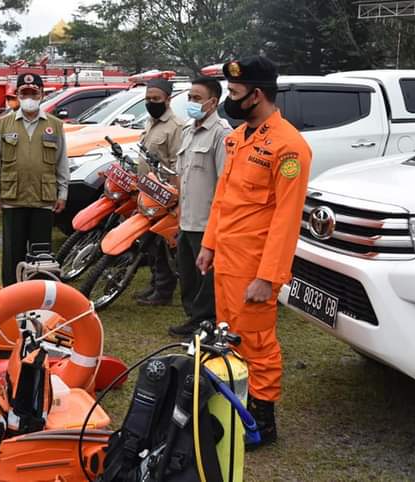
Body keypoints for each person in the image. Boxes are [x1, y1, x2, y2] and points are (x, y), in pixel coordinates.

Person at [196, 56, 311, 448]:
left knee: (258, 343)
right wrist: (209, 244)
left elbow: (287, 220)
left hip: (255, 267)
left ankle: (262, 422)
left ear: (257, 94)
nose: (229, 98)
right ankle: (234, 405)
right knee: (229, 337)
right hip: (227, 260)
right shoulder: (237, 138)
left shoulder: (289, 147)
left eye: (234, 93)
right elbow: (223, 199)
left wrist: (268, 277)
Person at [0, 73, 69, 286]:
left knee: (41, 255)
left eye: (34, 93)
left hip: (44, 198)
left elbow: (62, 162)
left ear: (42, 94)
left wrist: (63, 193)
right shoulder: (4, 124)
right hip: (12, 197)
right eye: (25, 93)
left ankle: (39, 295)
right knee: (12, 252)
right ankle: (11, 296)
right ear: (18, 95)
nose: (30, 97)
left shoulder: (55, 125)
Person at [169, 77, 231, 336]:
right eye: (190, 98)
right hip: (187, 217)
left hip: (207, 220)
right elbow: (182, 174)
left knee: (206, 277)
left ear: (212, 102)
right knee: (188, 273)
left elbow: (224, 183)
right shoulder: (187, 131)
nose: (191, 103)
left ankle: (205, 321)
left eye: (197, 98)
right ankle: (192, 318)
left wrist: (217, 225)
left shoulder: (222, 134)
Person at [134, 78, 183, 306]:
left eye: (156, 99)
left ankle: (163, 291)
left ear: (167, 99)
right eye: (148, 99)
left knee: (162, 246)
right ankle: (154, 284)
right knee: (149, 244)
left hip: (164, 196)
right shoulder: (150, 122)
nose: (151, 103)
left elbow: (176, 164)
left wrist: (174, 199)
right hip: (147, 193)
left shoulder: (175, 127)